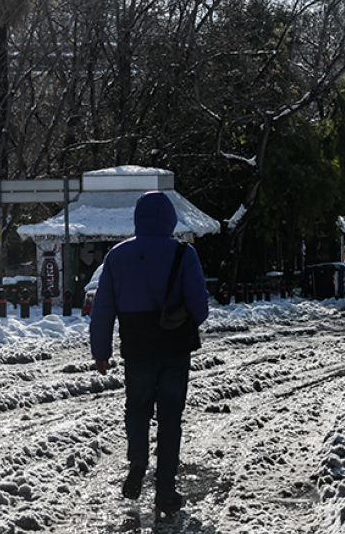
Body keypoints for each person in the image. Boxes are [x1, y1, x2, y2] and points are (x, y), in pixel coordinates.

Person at [89, 191, 210, 514]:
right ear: (170, 219)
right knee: (170, 416)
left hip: (136, 349)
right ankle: (166, 488)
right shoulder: (184, 255)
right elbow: (200, 310)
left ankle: (137, 463)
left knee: (137, 409)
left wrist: (101, 350)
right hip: (174, 349)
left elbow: (102, 309)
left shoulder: (117, 256)